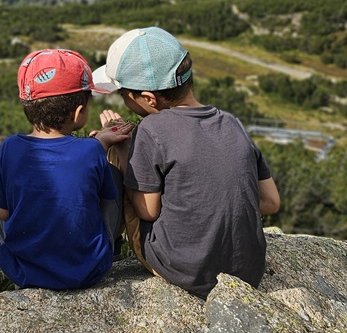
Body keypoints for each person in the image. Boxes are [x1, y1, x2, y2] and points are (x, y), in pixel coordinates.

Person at [93, 26, 281, 299]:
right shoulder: (231, 122)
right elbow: (271, 202)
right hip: (247, 272)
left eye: (123, 95)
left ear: (148, 99)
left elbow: (147, 211)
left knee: (115, 161)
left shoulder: (151, 128)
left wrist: (124, 151)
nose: (122, 100)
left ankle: (106, 254)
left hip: (186, 272)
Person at [0, 47, 130, 290]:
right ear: (79, 112)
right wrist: (101, 143)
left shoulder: (8, 148)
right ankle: (112, 248)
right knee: (110, 177)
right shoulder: (91, 150)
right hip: (88, 270)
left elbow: (2, 213)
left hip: (25, 272)